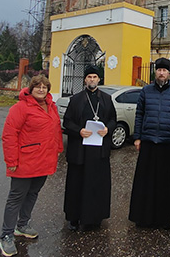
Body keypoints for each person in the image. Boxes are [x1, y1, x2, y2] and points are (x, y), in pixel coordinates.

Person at [0, 74, 63, 257]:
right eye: (38, 87)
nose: (41, 89)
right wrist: (11, 161)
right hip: (25, 161)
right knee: (16, 197)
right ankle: (6, 235)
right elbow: (9, 135)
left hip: (44, 160)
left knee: (33, 193)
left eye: (44, 87)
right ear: (31, 89)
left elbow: (56, 129)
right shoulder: (20, 108)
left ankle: (22, 225)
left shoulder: (51, 106)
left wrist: (58, 149)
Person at [128, 57, 170, 229]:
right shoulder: (146, 91)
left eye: (164, 70)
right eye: (159, 70)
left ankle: (164, 218)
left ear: (169, 73)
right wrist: (137, 137)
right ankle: (142, 216)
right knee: (144, 180)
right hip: (148, 140)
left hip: (167, 142)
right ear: (156, 72)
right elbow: (139, 114)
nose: (162, 73)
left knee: (164, 181)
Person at [62, 65, 117, 231]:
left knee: (96, 185)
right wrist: (79, 131)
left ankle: (95, 217)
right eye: (89, 77)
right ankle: (74, 217)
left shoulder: (107, 99)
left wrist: (108, 129)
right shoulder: (76, 99)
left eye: (95, 77)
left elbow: (113, 119)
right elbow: (67, 122)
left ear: (99, 79)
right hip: (80, 151)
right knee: (77, 185)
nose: (92, 79)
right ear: (85, 79)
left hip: (98, 152)